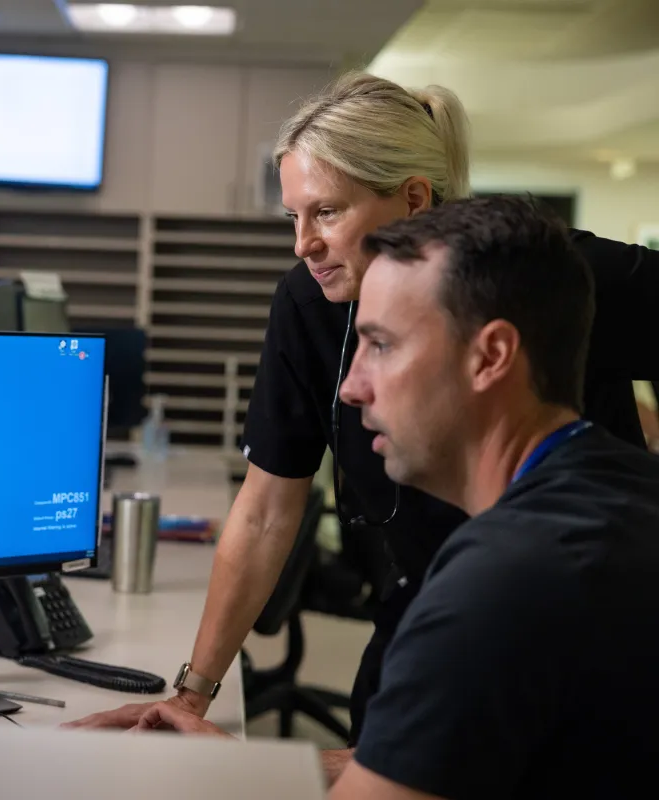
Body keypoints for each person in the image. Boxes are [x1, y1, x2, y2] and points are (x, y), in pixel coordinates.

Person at [65, 72, 659, 783]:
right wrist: (193, 699)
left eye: (325, 212)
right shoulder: (312, 301)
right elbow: (263, 512)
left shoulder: (540, 272)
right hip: (429, 615)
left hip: (552, 607)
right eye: (292, 217)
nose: (302, 244)